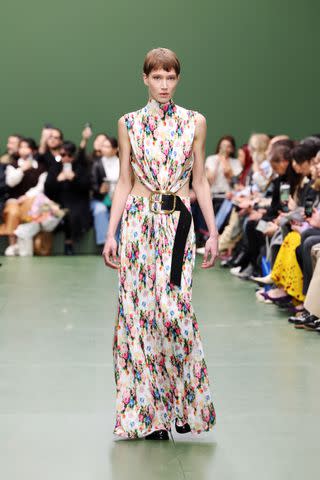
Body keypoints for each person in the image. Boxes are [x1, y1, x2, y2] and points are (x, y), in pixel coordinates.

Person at [102, 47, 218, 440]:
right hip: (137, 224)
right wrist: (111, 232)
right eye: (157, 77)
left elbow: (200, 179)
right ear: (145, 79)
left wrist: (213, 231)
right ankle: (148, 416)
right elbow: (123, 181)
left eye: (170, 77)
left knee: (174, 313)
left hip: (178, 228)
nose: (164, 84)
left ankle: (183, 404)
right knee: (138, 317)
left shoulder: (195, 121)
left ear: (177, 79)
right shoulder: (129, 123)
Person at [0, 137, 48, 255]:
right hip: (13, 200)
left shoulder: (41, 167)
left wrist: (27, 196)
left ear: (33, 150)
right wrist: (22, 169)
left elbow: (41, 186)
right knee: (13, 212)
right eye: (21, 147)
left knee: (37, 212)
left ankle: (33, 246)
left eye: (26, 147)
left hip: (31, 200)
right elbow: (11, 182)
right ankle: (13, 244)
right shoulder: (13, 165)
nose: (23, 150)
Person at [44, 141, 91, 255]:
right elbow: (48, 189)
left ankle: (69, 243)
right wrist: (57, 180)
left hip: (77, 201)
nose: (66, 158)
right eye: (63, 155)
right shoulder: (55, 167)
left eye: (69, 155)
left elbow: (86, 187)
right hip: (58, 200)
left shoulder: (80, 167)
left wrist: (74, 179)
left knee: (71, 213)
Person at [91, 136, 120, 246]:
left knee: (120, 211)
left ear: (115, 149)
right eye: (103, 146)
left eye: (107, 146)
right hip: (100, 199)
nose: (104, 149)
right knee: (100, 210)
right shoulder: (97, 164)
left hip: (117, 199)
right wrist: (100, 190)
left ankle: (118, 243)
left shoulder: (121, 163)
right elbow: (93, 185)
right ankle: (105, 243)